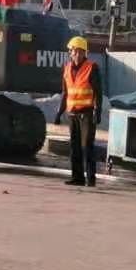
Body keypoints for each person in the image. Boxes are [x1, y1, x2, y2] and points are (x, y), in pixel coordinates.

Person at [54, 36, 102, 187]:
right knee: (74, 148)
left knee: (87, 146)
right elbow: (65, 93)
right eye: (74, 51)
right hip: (72, 114)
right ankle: (77, 177)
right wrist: (59, 113)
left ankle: (91, 179)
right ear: (70, 52)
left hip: (87, 114)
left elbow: (98, 92)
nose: (77, 54)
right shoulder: (66, 68)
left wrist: (97, 112)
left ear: (85, 53)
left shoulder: (91, 67)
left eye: (80, 51)